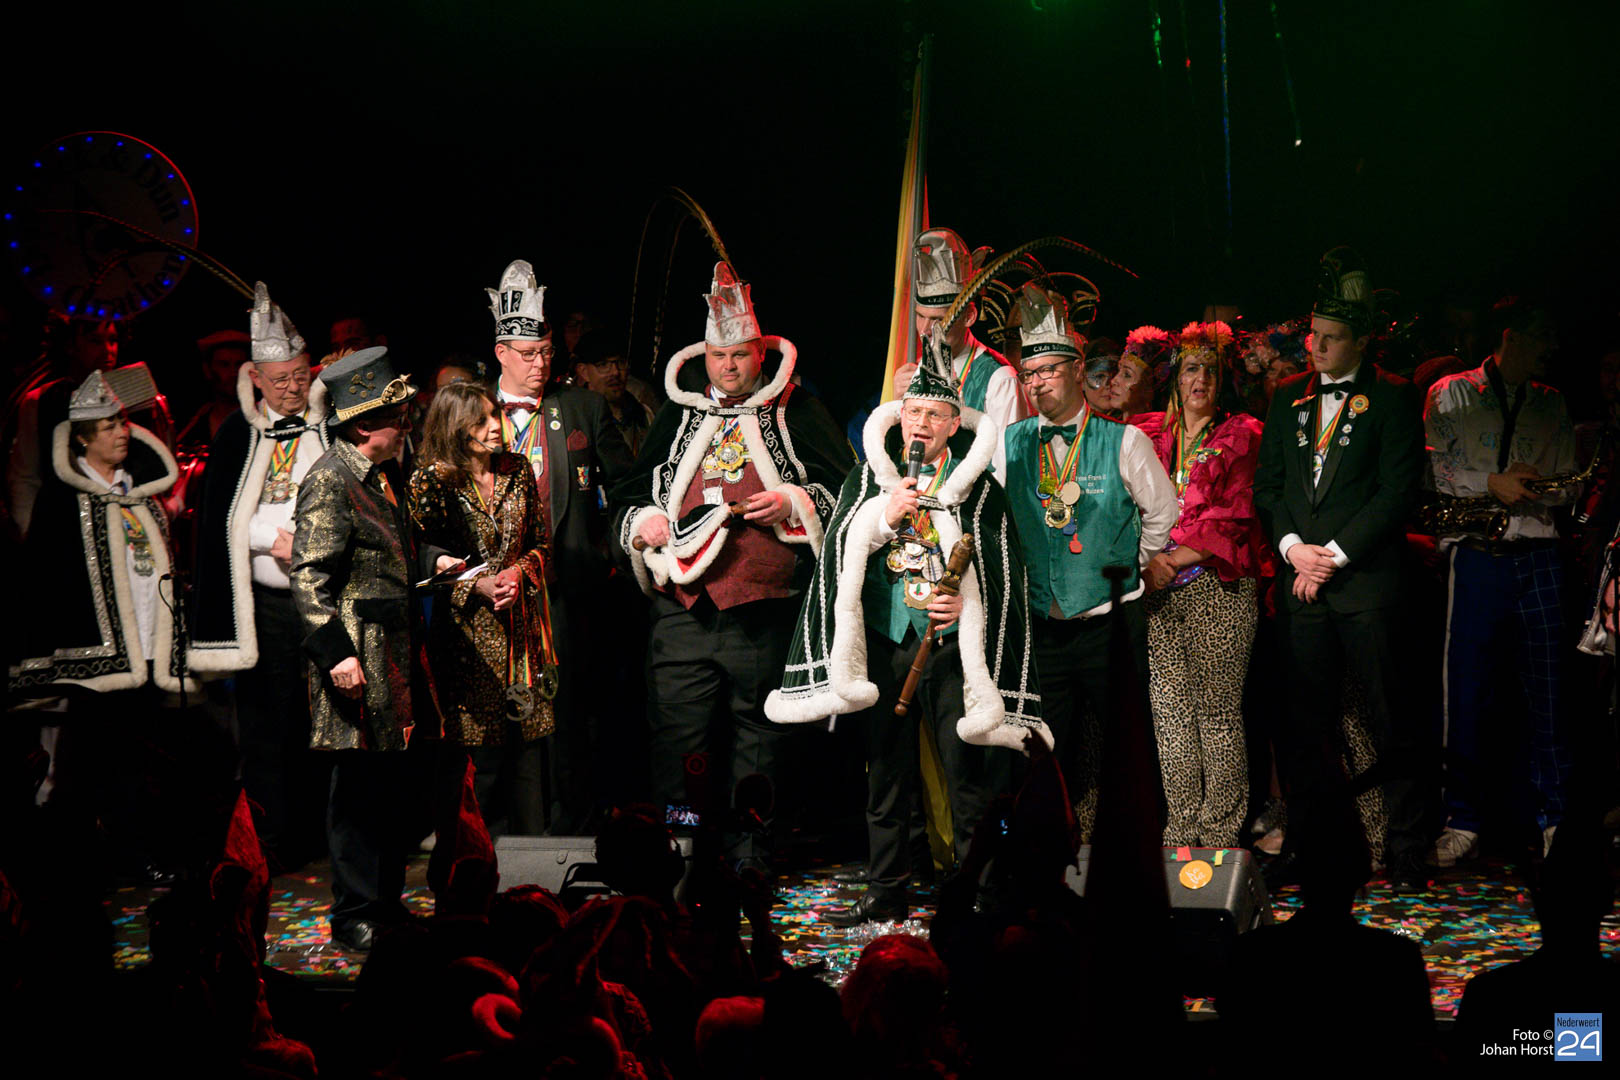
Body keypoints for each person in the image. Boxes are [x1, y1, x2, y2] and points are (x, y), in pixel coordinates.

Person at [769, 330, 1048, 924]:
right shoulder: (868, 479)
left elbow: (1003, 569)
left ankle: (979, 889)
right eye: (914, 412)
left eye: (935, 415)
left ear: (954, 425)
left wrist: (966, 606)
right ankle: (886, 887)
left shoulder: (980, 490)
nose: (922, 424)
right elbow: (840, 549)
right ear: (900, 419)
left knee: (966, 777)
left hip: (948, 650)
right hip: (887, 642)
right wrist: (881, 516)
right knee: (886, 778)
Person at [613, 262, 852, 869]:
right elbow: (631, 492)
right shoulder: (679, 413)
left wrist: (793, 503)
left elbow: (845, 490)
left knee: (761, 745)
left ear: (760, 354)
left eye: (740, 355)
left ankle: (751, 857)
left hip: (764, 609)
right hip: (683, 608)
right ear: (704, 357)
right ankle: (681, 854)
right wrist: (644, 522)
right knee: (679, 744)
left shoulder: (797, 409)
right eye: (718, 357)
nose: (728, 367)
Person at [1253, 246, 1429, 892]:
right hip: (1302, 586)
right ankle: (1306, 844)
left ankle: (1407, 847)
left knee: (1392, 719)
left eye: (1331, 338)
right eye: (1314, 335)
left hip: (1367, 586)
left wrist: (1331, 556)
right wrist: (1293, 548)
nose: (1317, 347)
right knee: (1306, 729)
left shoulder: (1393, 396)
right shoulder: (1287, 397)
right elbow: (1269, 487)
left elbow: (1396, 492)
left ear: (1360, 342)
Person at [289, 346, 460, 951]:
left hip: (394, 654)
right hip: (357, 658)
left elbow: (399, 548)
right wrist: (336, 655)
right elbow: (309, 576)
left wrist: (436, 560)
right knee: (359, 790)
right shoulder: (330, 480)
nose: (407, 425)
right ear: (364, 426)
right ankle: (355, 911)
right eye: (396, 417)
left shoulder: (383, 475)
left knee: (392, 787)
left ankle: (385, 904)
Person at [992, 287, 1177, 836]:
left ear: (1077, 371)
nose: (1037, 383)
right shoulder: (1009, 443)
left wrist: (1128, 562)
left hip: (1110, 625)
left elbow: (1163, 513)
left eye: (1048, 371)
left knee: (1129, 742)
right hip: (1044, 625)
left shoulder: (1123, 441)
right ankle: (1050, 855)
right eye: (1029, 374)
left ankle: (1145, 851)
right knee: (1047, 751)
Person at [1424, 296, 1576, 863]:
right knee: (1465, 691)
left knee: (1549, 691)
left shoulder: (1551, 402)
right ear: (1511, 336)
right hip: (1476, 554)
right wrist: (1493, 482)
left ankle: (1555, 819)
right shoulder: (1450, 392)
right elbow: (1436, 470)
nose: (1551, 348)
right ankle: (1461, 820)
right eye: (1541, 336)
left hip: (1538, 552)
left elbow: (1571, 484)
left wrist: (1537, 486)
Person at [485, 259, 633, 831]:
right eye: (528, 355)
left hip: (567, 590)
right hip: (494, 594)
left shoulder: (581, 407)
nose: (541, 364)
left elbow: (628, 487)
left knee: (570, 718)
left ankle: (572, 830)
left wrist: (607, 557)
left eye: (547, 352)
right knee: (501, 720)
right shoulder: (473, 409)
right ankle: (501, 835)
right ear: (501, 352)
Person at [190, 284, 332, 867]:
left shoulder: (329, 428)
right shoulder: (236, 435)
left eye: (300, 376)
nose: (292, 388)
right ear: (256, 378)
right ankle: (270, 843)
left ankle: (320, 836)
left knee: (323, 720)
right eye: (280, 380)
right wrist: (269, 539)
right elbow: (220, 516)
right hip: (268, 607)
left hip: (324, 600)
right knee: (267, 726)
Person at [1132, 321, 1273, 847]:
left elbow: (1233, 514)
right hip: (1157, 592)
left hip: (1218, 589)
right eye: (1192, 369)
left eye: (1211, 372)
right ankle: (1180, 830)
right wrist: (1148, 563)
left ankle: (1218, 835)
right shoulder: (1148, 435)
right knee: (1169, 715)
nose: (1201, 380)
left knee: (1215, 714)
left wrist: (1167, 560)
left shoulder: (1243, 434)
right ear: (1174, 377)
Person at [407, 382, 559, 836]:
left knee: (529, 755)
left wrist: (518, 573)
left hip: (522, 633)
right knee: (479, 765)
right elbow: (420, 559)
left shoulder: (516, 469)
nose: (495, 426)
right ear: (455, 427)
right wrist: (475, 584)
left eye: (495, 415)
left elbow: (541, 543)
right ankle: (470, 862)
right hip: (465, 640)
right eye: (481, 420)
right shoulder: (431, 480)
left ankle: (530, 862)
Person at [10, 370, 192, 696]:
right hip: (95, 662)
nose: (123, 433)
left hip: (151, 643)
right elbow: (49, 580)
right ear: (84, 438)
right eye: (110, 428)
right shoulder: (62, 501)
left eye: (123, 424)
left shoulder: (140, 492)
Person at [891, 227, 1030, 432]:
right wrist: (896, 405)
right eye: (920, 316)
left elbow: (1007, 452)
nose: (925, 330)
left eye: (938, 319)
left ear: (969, 316)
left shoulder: (999, 379)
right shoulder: (916, 370)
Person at [5, 315, 120, 540]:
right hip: (64, 532)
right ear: (70, 345)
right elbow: (25, 476)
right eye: (95, 341)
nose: (108, 350)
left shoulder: (132, 394)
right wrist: (28, 531)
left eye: (113, 340)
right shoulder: (41, 401)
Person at [572, 330, 655, 456]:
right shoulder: (575, 417)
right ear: (583, 372)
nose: (615, 372)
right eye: (603, 365)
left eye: (620, 362)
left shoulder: (643, 415)